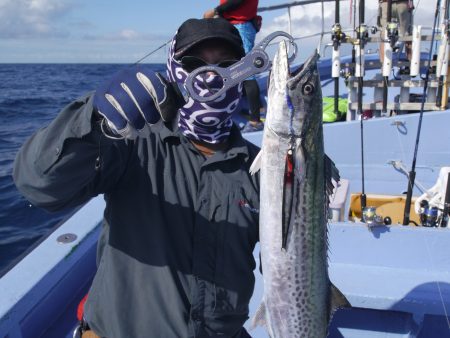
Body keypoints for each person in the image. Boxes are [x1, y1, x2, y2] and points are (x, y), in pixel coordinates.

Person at [13, 18, 260, 338]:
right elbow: (38, 184)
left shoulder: (263, 167)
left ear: (242, 74)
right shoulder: (132, 141)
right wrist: (93, 119)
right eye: (194, 63)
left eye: (226, 64)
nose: (210, 77)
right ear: (174, 69)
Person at [204, 0, 264, 132]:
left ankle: (255, 121)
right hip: (235, 25)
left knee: (248, 71)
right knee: (234, 68)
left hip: (241, 26)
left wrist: (215, 11)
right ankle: (250, 106)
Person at [378, 0, 414, 68]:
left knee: (384, 35)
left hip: (385, 3)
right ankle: (410, 64)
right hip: (403, 4)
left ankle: (384, 66)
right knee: (407, 34)